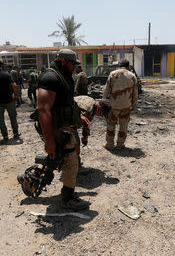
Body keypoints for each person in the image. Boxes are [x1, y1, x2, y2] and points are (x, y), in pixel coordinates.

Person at [37, 49, 90, 211]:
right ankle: (67, 198)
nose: (75, 67)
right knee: (71, 161)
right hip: (55, 127)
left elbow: (67, 102)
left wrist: (78, 116)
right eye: (73, 63)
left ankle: (31, 179)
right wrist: (49, 140)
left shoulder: (64, 76)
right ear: (63, 61)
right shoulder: (50, 77)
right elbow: (43, 110)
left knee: (59, 159)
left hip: (64, 125)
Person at [102, 58, 138, 150]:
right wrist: (133, 106)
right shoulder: (132, 76)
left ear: (119, 65)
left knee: (111, 124)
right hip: (126, 106)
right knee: (123, 125)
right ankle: (120, 145)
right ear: (128, 66)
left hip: (114, 105)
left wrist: (104, 101)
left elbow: (106, 90)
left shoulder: (112, 74)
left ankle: (110, 144)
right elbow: (135, 93)